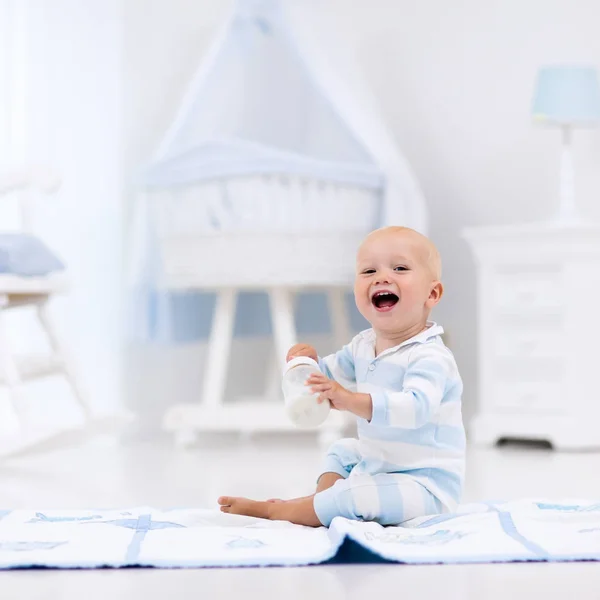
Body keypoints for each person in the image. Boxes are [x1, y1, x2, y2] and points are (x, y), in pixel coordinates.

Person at [218, 226, 465, 527]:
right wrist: (307, 363)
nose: (382, 277)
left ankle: (280, 511)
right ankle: (321, 506)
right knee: (342, 450)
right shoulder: (363, 345)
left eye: (400, 268)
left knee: (357, 495)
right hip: (382, 464)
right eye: (369, 270)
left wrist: (347, 400)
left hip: (424, 486)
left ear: (432, 293)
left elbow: (415, 408)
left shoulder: (430, 356)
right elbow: (329, 375)